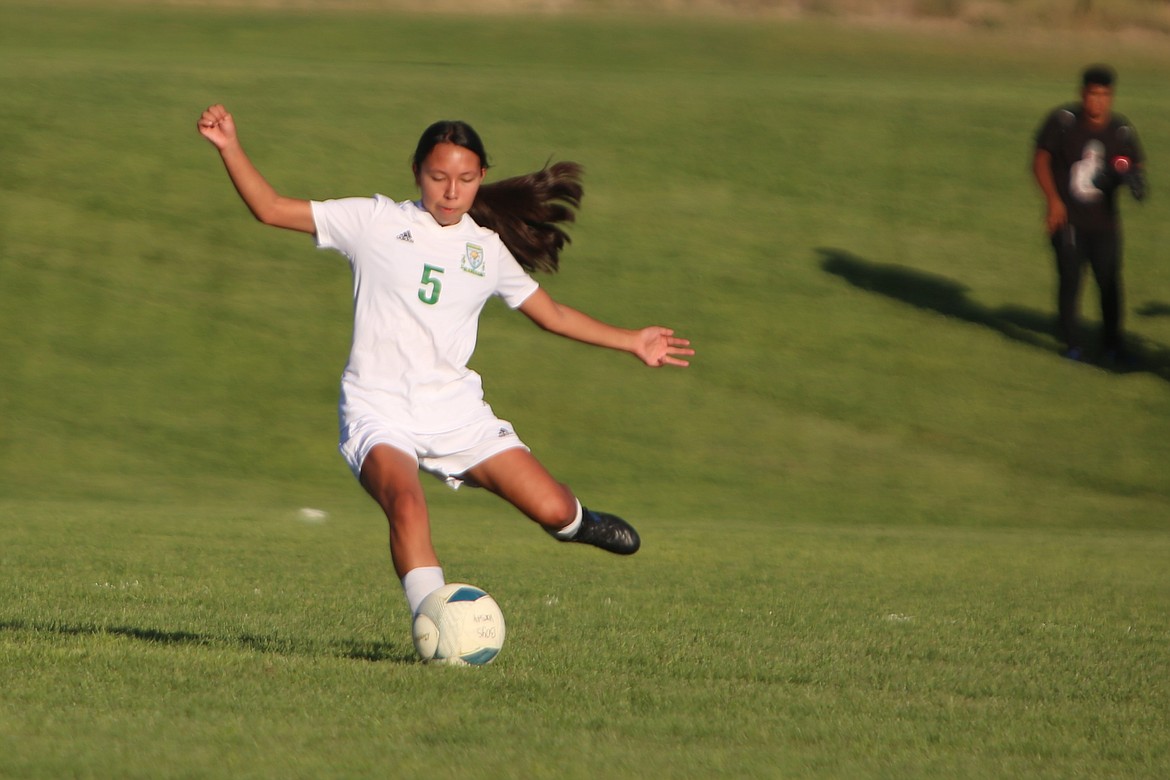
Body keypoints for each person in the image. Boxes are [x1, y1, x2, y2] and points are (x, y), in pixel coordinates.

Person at [197, 105, 694, 619]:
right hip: (379, 409)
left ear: (482, 178)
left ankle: (578, 521)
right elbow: (271, 208)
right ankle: (434, 624)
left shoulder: (487, 250)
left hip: (456, 413)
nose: (451, 192)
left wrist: (632, 340)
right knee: (407, 506)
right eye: (438, 177)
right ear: (416, 172)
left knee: (552, 508)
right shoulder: (375, 221)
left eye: (465, 179)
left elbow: (553, 315)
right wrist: (230, 146)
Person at [1032, 64, 1146, 365]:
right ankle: (1072, 345)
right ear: (1083, 93)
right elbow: (1041, 161)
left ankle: (1113, 345)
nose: (1098, 101)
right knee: (1070, 280)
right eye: (1093, 94)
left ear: (1111, 97)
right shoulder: (1063, 123)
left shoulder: (1120, 131)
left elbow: (1132, 163)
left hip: (1105, 224)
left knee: (1109, 283)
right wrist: (1053, 201)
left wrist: (1131, 177)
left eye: (1105, 95)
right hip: (1068, 220)